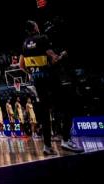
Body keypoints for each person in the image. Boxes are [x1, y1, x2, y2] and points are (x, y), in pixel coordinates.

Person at [20, 20, 83, 155]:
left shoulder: (24, 44)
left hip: (37, 81)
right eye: (37, 25)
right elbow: (54, 58)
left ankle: (47, 147)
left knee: (45, 113)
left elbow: (21, 66)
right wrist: (62, 55)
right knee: (68, 106)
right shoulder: (42, 38)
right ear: (34, 28)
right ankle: (66, 140)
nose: (38, 27)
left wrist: (32, 73)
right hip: (50, 79)